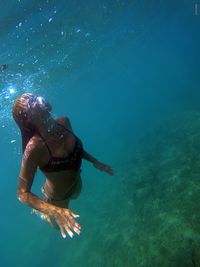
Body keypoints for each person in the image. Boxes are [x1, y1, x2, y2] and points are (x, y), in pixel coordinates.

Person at [12, 93, 113, 239]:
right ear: (29, 118)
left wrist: (95, 161)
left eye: (35, 96)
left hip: (77, 184)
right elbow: (21, 193)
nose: (38, 99)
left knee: (68, 211)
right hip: (58, 198)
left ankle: (45, 199)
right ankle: (43, 212)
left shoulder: (64, 121)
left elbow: (76, 150)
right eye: (32, 102)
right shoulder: (34, 148)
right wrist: (54, 211)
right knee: (57, 228)